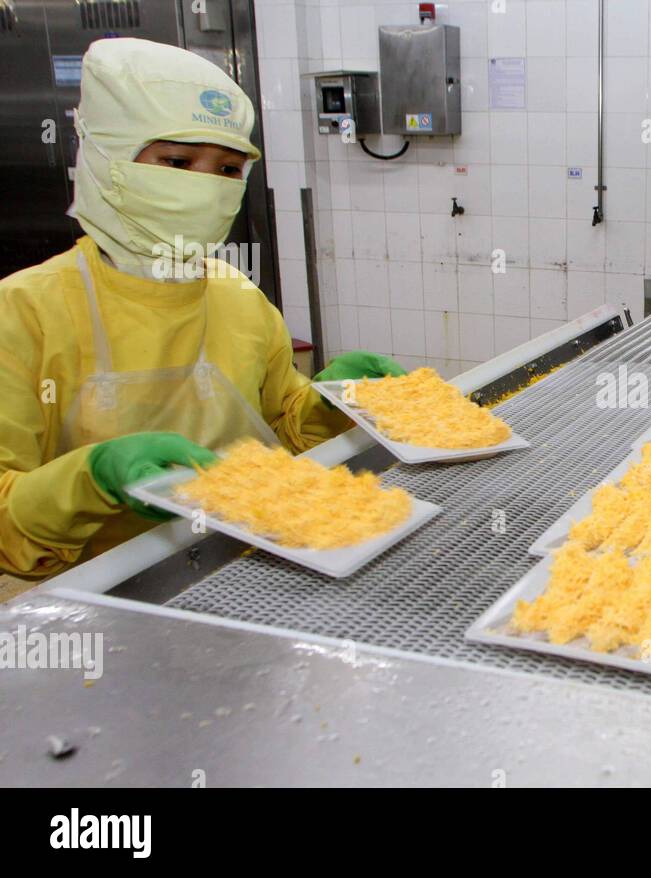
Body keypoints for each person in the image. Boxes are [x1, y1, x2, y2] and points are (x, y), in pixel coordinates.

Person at [0, 38, 401, 583]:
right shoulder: (23, 312)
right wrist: (92, 479)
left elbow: (284, 429)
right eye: (176, 162)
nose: (204, 187)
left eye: (229, 170)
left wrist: (335, 403)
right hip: (93, 598)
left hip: (250, 565)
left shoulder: (237, 296)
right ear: (108, 161)